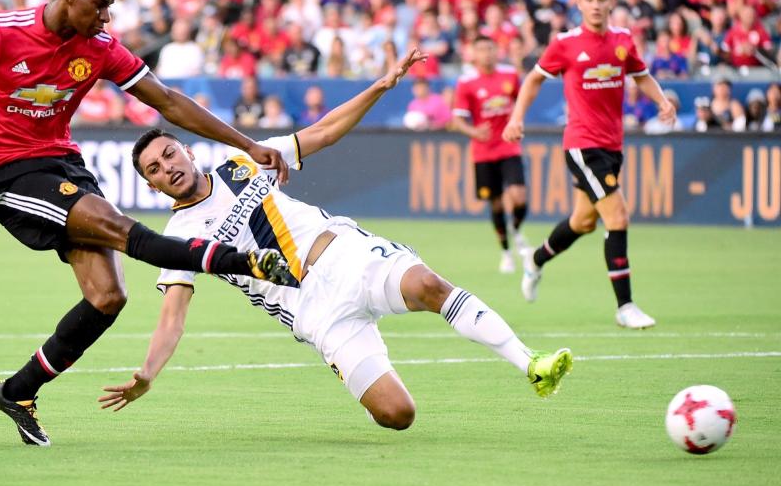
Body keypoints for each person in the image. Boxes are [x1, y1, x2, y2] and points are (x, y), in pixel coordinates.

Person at [0, 0, 292, 447]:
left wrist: (246, 144)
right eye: (101, 5)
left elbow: (167, 100)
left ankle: (18, 392)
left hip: (65, 163)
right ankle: (245, 263)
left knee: (108, 296)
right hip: (11, 172)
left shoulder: (100, 47)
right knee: (125, 232)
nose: (106, 17)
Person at [97, 49, 573, 428]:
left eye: (168, 154)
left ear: (185, 149)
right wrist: (147, 374)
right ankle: (363, 373)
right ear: (150, 185)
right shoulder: (177, 239)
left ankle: (530, 362)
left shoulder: (242, 162)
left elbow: (323, 132)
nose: (168, 168)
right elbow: (172, 317)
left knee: (428, 285)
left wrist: (381, 86)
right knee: (397, 416)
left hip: (346, 255)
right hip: (315, 314)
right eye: (154, 169)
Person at [502, 0, 677, 330]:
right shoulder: (565, 44)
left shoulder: (623, 41)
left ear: (611, 2)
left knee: (583, 221)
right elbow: (533, 79)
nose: (596, 5)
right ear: (579, 4)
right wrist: (516, 117)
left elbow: (640, 74)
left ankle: (535, 260)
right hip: (582, 144)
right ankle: (625, 306)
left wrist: (663, 102)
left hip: (612, 144)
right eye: (590, 0)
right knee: (618, 216)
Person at [453, 36, 529, 274]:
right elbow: (457, 119)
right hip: (483, 153)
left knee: (519, 197)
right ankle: (506, 252)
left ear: (497, 51)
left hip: (509, 146)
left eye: (490, 48)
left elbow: (522, 101)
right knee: (495, 203)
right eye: (481, 50)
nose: (486, 53)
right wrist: (473, 131)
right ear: (473, 55)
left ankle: (516, 230)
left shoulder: (509, 75)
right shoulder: (467, 82)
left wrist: (516, 121)